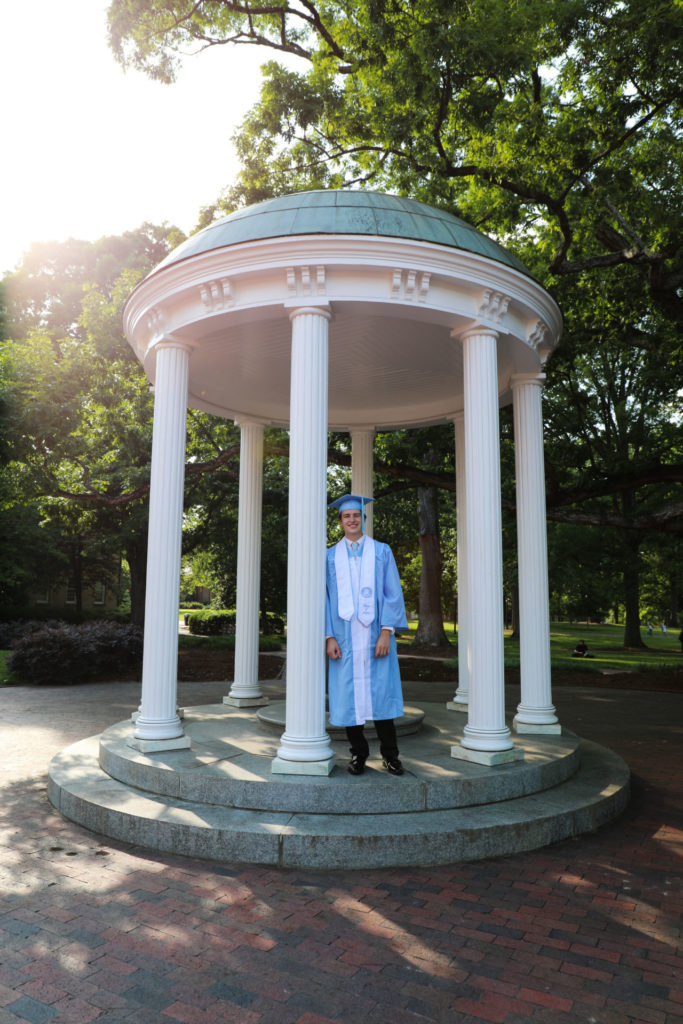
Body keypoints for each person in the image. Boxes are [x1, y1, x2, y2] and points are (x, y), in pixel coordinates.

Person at [325, 494, 408, 776]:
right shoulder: (329, 557)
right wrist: (329, 637)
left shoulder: (382, 551)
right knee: (351, 700)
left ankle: (391, 756)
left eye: (356, 516)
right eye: (346, 516)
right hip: (344, 638)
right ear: (340, 522)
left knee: (381, 697)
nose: (352, 520)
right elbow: (324, 600)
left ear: (363, 519)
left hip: (376, 637)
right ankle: (358, 755)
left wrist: (387, 632)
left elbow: (392, 593)